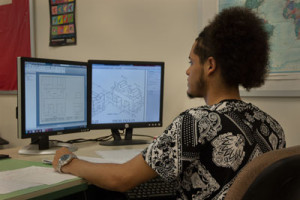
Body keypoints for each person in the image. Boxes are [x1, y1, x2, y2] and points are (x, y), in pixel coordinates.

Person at [53, 7, 285, 199]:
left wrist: (67, 161)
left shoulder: (196, 122)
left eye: (191, 61)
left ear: (210, 66)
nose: (187, 70)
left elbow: (121, 179)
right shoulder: (273, 127)